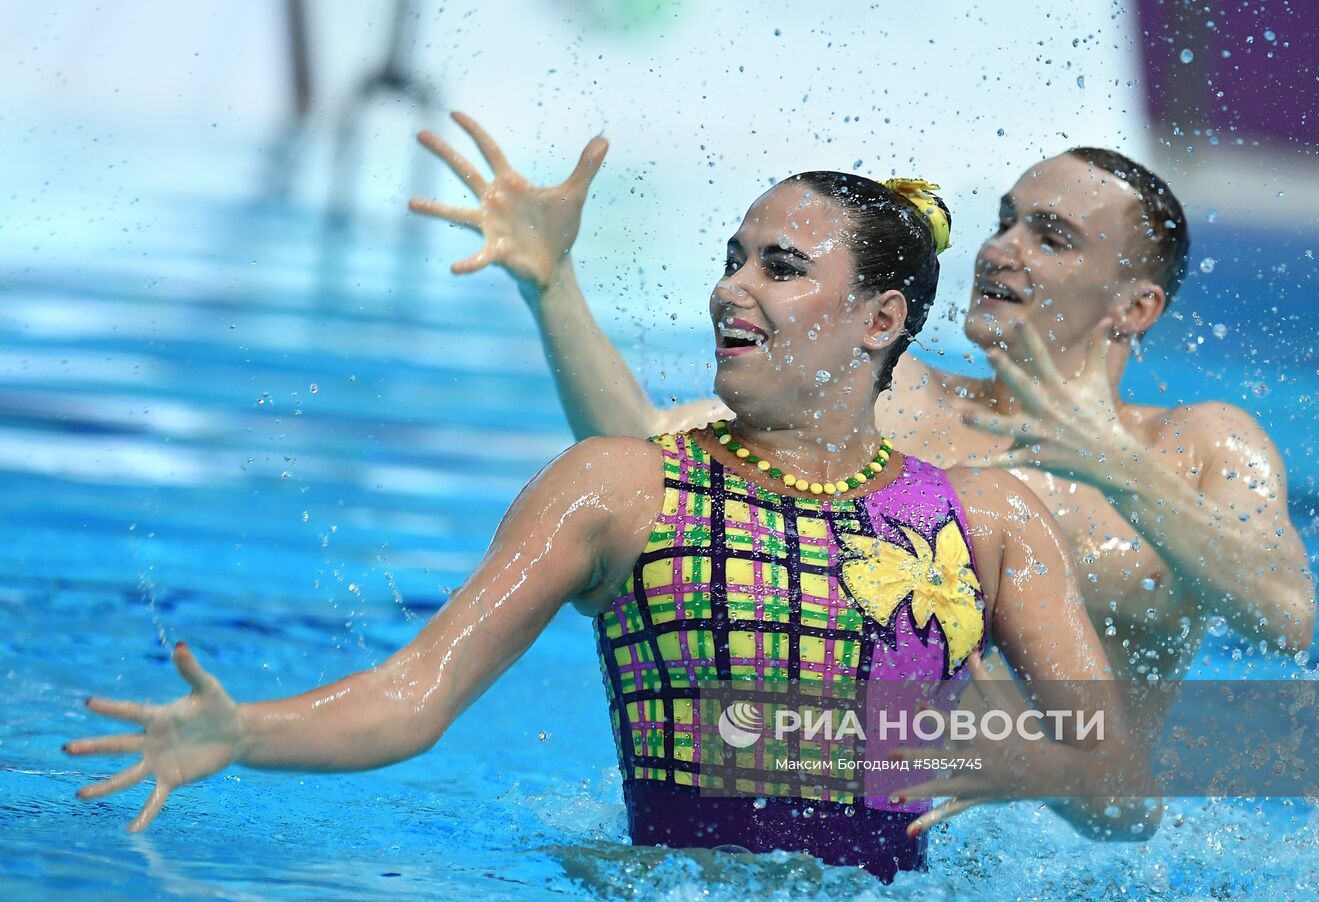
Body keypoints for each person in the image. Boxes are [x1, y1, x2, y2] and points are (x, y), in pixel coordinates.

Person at [66, 158, 1153, 882]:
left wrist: (1040, 767)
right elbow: (412, 696)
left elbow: (1127, 798)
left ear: (877, 321)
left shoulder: (986, 518)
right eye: (730, 258)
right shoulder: (619, 487)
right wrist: (244, 729)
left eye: (778, 267)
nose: (731, 289)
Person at [407, 118, 1316, 732]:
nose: (1000, 250)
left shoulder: (1201, 442)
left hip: (1075, 846)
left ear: (1137, 305)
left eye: (1052, 237)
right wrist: (552, 282)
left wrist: (1114, 465)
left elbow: (1285, 617)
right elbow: (654, 453)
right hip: (889, 825)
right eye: (1004, 224)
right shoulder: (903, 398)